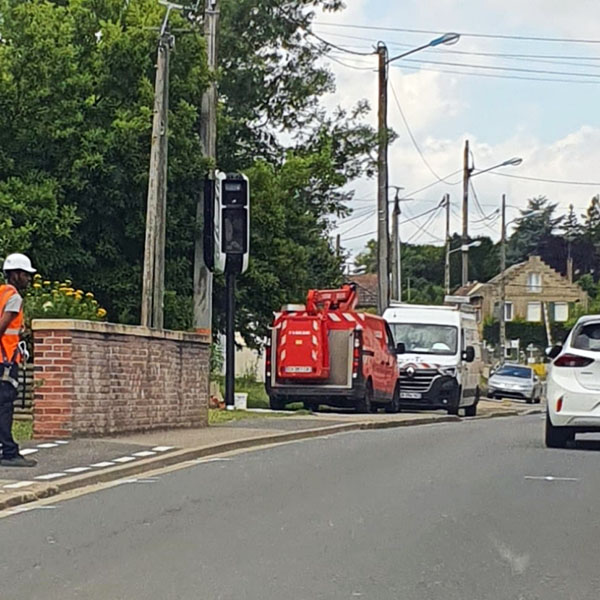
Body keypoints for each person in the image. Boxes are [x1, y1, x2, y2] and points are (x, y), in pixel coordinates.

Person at [0, 253, 37, 467]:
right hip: (5, 360)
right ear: (15, 274)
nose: (28, 279)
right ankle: (9, 452)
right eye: (25, 275)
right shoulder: (13, 297)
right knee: (5, 406)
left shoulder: (0, 293)